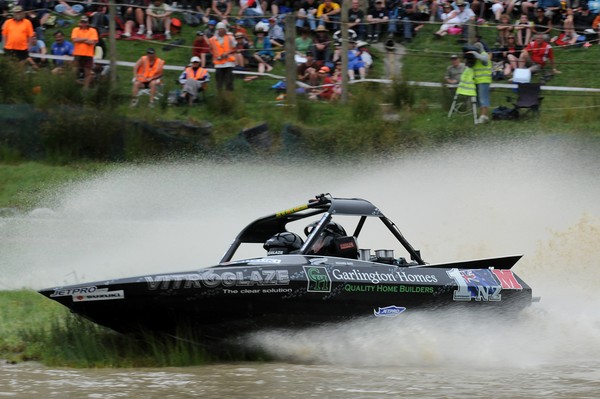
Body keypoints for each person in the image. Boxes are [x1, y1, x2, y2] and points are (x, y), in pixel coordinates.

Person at [467, 42, 491, 123]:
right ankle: (484, 116)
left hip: (484, 80)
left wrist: (474, 54)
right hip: (477, 80)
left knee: (483, 99)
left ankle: (483, 116)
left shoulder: (484, 54)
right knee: (480, 100)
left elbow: (484, 60)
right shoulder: (476, 57)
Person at [71, 15, 98, 88]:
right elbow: (74, 39)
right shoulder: (75, 29)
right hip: (78, 54)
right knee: (74, 72)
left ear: (88, 23)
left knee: (88, 73)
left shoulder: (93, 30)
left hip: (88, 54)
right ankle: (71, 86)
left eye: (85, 22)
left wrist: (80, 39)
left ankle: (85, 89)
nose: (84, 24)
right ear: (79, 22)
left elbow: (93, 42)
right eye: (82, 22)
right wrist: (86, 39)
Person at [208, 21, 236, 91]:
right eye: (219, 29)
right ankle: (220, 97)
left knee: (229, 82)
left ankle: (229, 96)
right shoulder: (212, 40)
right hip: (218, 64)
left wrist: (227, 53)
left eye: (222, 29)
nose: (220, 30)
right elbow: (209, 49)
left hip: (228, 63)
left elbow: (235, 48)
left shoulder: (230, 37)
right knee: (219, 82)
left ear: (225, 30)